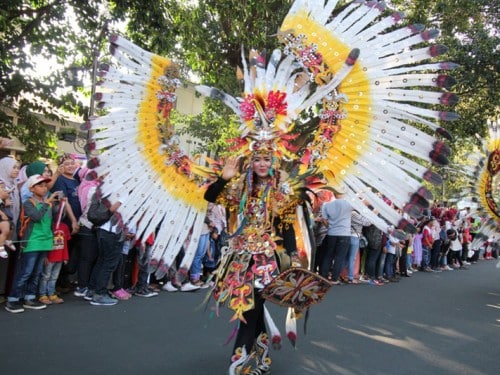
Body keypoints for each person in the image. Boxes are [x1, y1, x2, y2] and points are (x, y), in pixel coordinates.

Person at [204, 150, 306, 375]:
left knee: (250, 308)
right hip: (240, 258)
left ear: (274, 161)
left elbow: (287, 227)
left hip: (267, 261)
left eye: (266, 159)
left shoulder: (283, 189)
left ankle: (238, 362)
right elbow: (210, 197)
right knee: (253, 309)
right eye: (257, 159)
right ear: (250, 161)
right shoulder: (241, 186)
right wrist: (224, 178)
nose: (262, 164)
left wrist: (294, 257)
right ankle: (260, 359)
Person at [5, 175, 60, 313]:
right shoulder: (28, 203)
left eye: (45, 185)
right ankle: (13, 299)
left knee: (37, 272)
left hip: (45, 241)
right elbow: (36, 217)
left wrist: (58, 204)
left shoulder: (48, 203)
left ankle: (30, 297)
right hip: (32, 242)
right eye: (40, 186)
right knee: (26, 272)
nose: (44, 188)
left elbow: (53, 219)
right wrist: (47, 203)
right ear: (32, 188)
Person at [320, 186, 352, 284]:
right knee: (339, 257)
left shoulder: (326, 204)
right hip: (344, 233)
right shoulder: (349, 204)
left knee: (328, 255)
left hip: (331, 233)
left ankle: (323, 276)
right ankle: (334, 278)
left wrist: (330, 226)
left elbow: (324, 220)